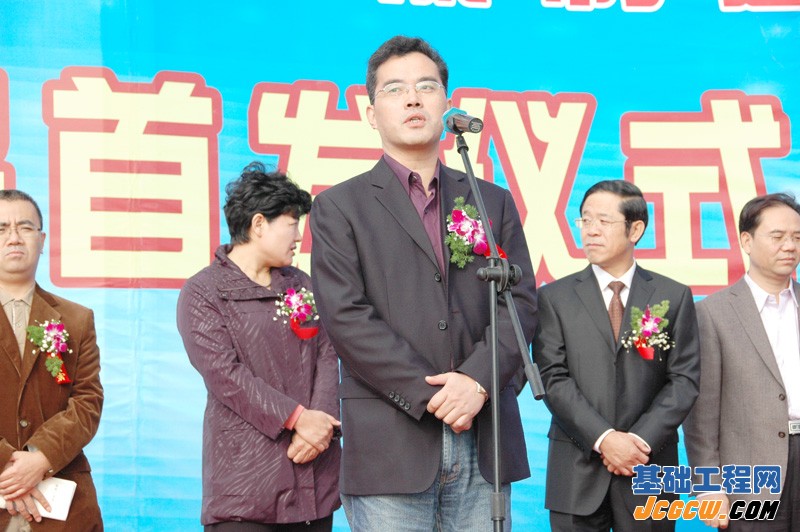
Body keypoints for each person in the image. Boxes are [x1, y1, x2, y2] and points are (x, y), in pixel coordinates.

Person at [309, 35, 537, 531]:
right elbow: (346, 317)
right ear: (371, 114)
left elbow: (519, 301)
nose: (413, 99)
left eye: (426, 87)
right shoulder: (339, 207)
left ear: (446, 102)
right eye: (395, 89)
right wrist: (434, 394)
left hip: (484, 435)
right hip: (390, 442)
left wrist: (476, 381)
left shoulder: (490, 200)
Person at [176, 163, 341, 532]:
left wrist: (320, 427)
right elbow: (225, 376)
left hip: (312, 474)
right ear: (259, 224)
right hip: (245, 485)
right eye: (292, 224)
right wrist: (297, 419)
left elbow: (327, 355)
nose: (299, 236)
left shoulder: (301, 284)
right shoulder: (204, 292)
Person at [534, 180, 700, 531]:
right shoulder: (554, 298)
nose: (591, 230)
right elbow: (552, 378)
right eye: (585, 219)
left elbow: (683, 380)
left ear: (635, 229)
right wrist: (605, 439)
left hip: (648, 467)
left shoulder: (673, 296)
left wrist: (638, 442)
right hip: (576, 469)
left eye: (604, 221)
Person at [683, 193, 800, 531]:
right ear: (747, 241)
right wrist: (708, 487)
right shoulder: (712, 313)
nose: (789, 246)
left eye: (796, 237)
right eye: (777, 236)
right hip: (751, 480)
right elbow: (701, 415)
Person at [0, 189, 103, 531]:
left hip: (63, 507)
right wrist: (10, 468)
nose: (14, 237)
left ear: (42, 240)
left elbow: (87, 401)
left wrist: (40, 457)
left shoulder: (76, 319)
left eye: (25, 227)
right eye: (2, 228)